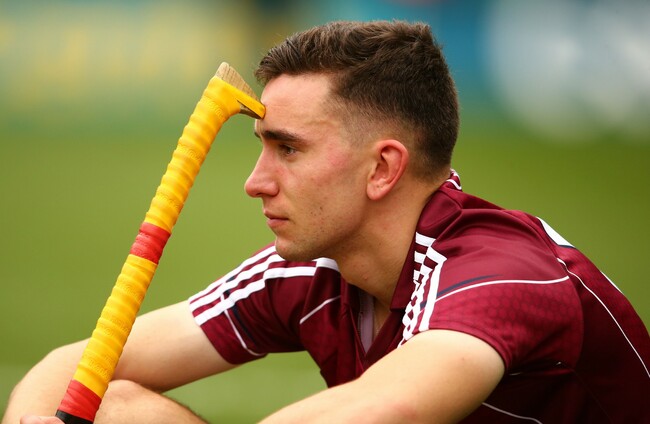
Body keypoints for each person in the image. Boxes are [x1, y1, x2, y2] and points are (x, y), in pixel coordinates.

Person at [4, 20, 649, 424]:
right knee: (113, 408)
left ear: (382, 168)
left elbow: (389, 405)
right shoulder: (313, 268)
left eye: (288, 149)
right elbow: (77, 367)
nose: (256, 181)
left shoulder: (501, 273)